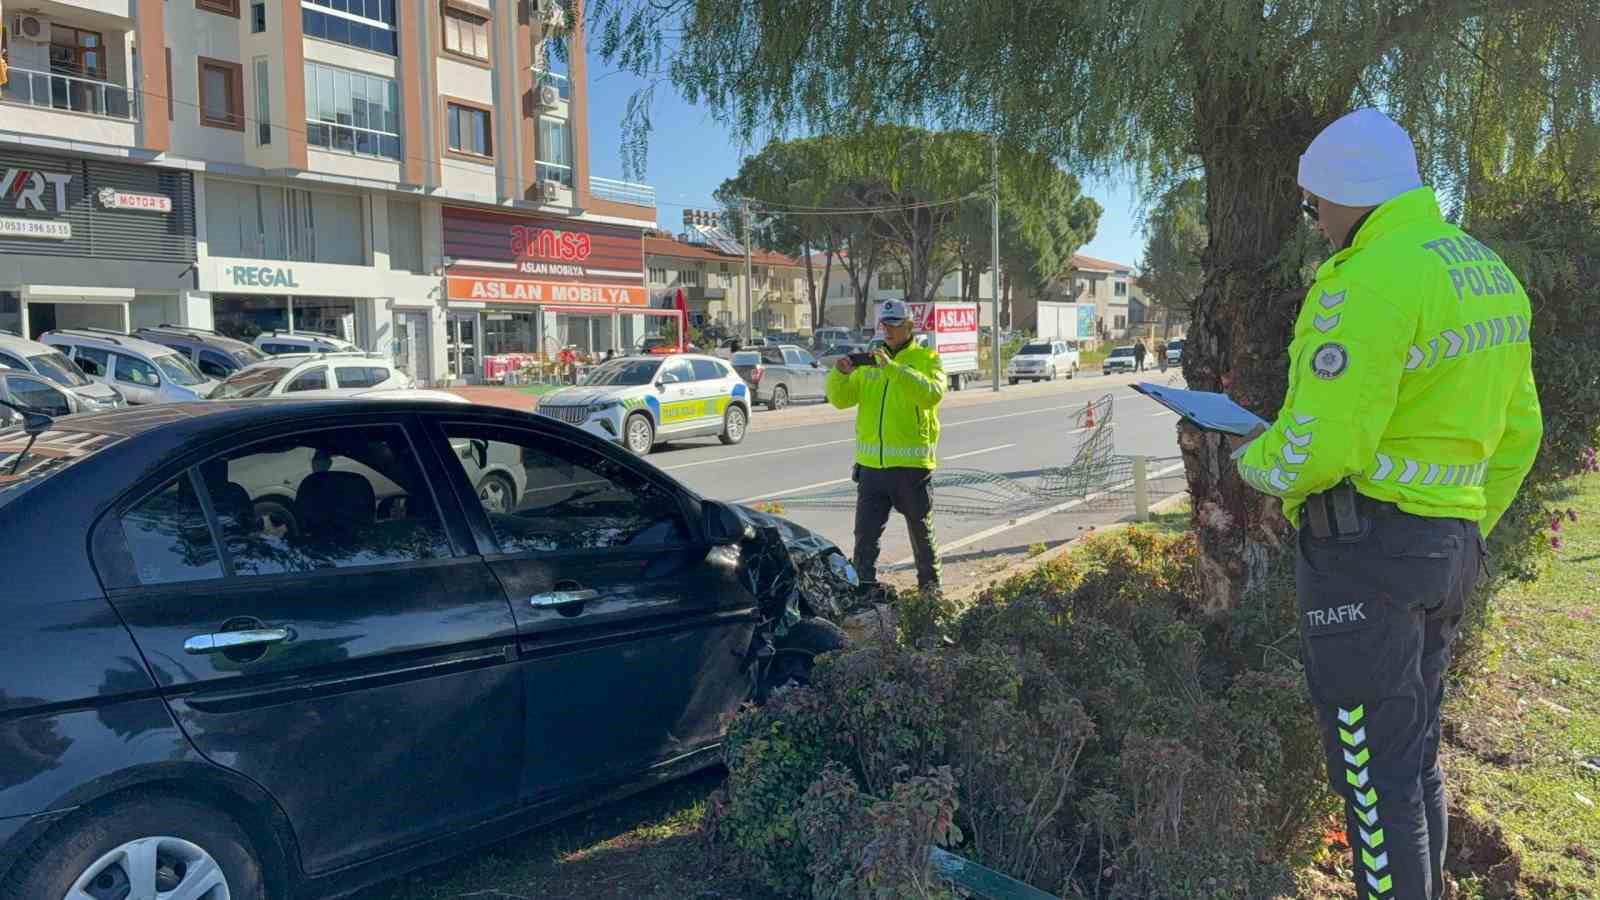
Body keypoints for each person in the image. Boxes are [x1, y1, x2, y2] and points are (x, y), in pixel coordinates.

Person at [1234, 108, 1541, 900]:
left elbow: (1322, 447)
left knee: (1372, 777)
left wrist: (1254, 460)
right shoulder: (1486, 272)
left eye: (1314, 205)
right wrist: (1463, 523)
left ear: (1346, 194)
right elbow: (1520, 432)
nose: (1316, 222)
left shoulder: (1366, 280)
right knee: (1411, 761)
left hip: (1362, 555)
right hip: (1448, 549)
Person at [827, 299, 947, 596]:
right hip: (871, 467)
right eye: (885, 324)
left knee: (922, 536)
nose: (888, 330)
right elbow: (841, 400)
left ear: (910, 326)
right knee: (864, 540)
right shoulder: (870, 362)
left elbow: (932, 395)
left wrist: (893, 369)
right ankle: (863, 594)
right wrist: (839, 374)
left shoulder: (927, 358)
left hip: (911, 468)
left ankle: (931, 595)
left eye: (895, 324)